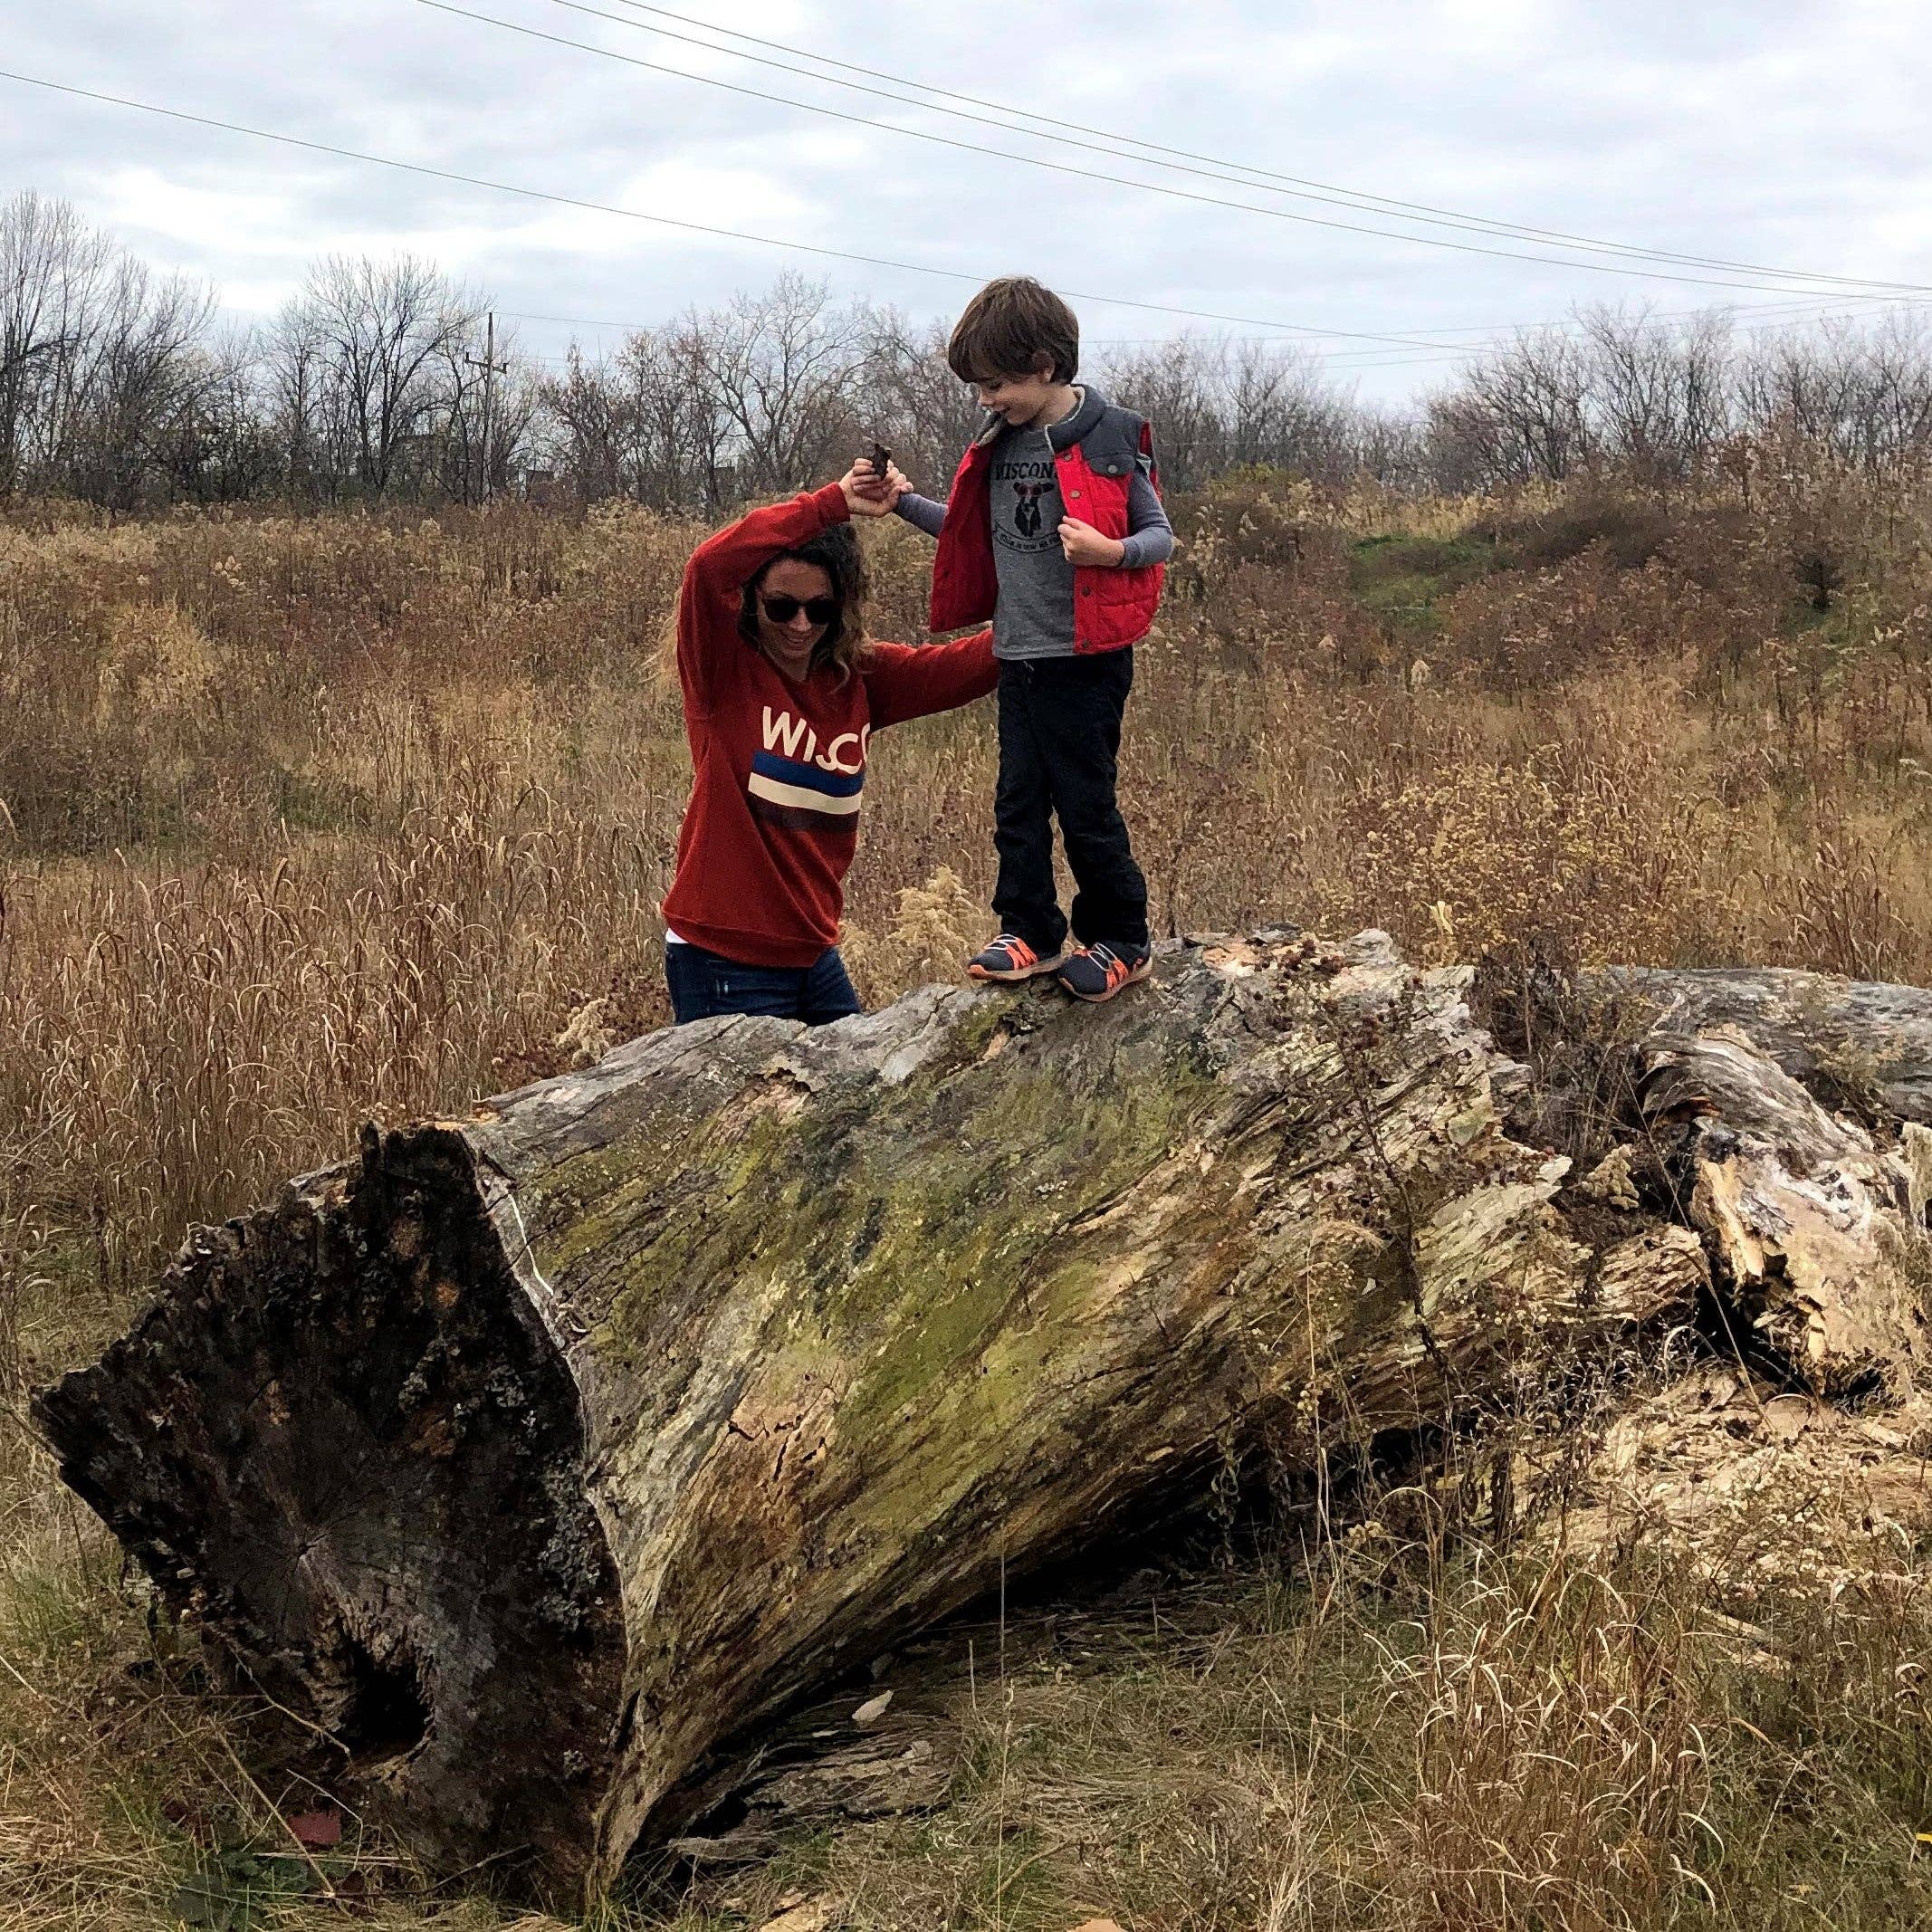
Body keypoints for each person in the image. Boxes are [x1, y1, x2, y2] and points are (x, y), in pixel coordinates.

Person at [886, 276, 1174, 1004]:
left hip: (1087, 659)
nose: (986, 399)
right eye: (979, 387)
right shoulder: (997, 441)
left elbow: (1158, 535)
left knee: (1085, 802)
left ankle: (1121, 938)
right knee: (1017, 801)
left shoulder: (1113, 435)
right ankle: (1032, 931)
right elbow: (965, 525)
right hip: (1016, 654)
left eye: (998, 383)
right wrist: (900, 502)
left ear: (1045, 365)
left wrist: (1111, 554)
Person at [660, 464, 996, 1026]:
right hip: (723, 955)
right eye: (780, 606)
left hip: (813, 950)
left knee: (852, 1106)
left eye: (820, 609)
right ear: (750, 601)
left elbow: (976, 664)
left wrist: (1051, 600)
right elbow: (707, 567)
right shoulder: (722, 671)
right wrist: (831, 504)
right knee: (753, 1116)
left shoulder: (857, 677)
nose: (799, 625)